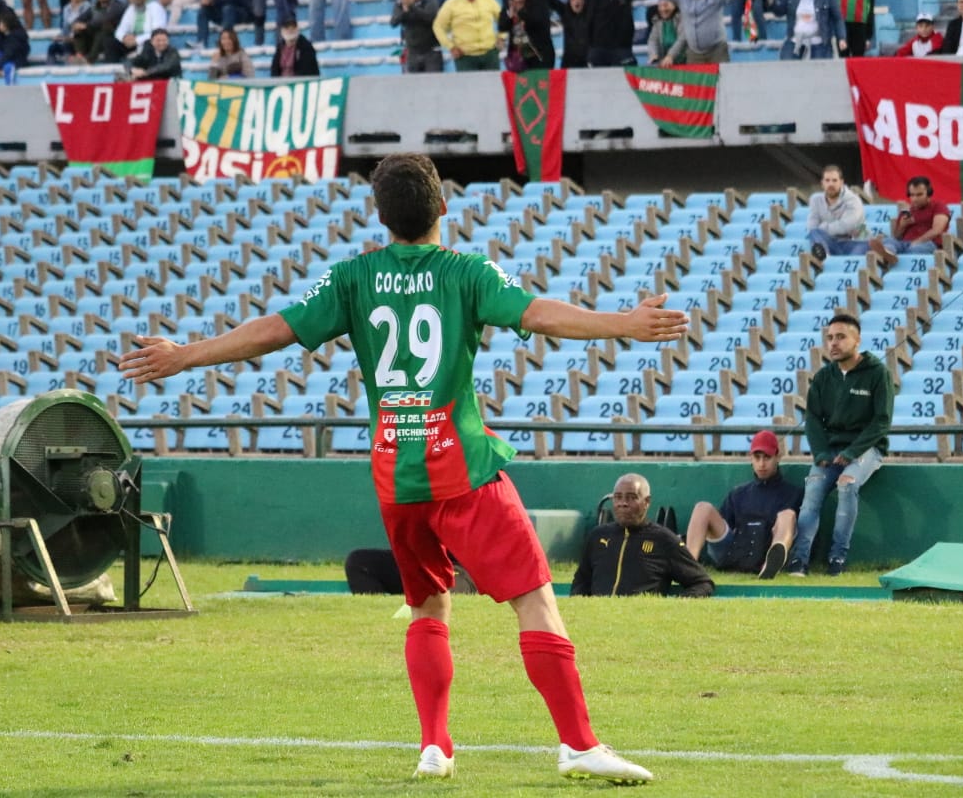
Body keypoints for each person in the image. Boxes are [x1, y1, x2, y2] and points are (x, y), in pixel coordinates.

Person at [118, 152, 679, 785]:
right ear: (443, 207)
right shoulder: (466, 273)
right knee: (534, 600)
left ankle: (435, 747)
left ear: (380, 217)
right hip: (463, 473)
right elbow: (537, 312)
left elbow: (274, 329)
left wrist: (186, 355)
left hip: (396, 477)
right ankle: (578, 744)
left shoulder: (353, 278)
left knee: (428, 608)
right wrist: (623, 325)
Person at [786, 312, 893, 577]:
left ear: (857, 340)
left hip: (866, 449)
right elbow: (812, 417)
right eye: (829, 338)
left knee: (847, 485)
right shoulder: (823, 377)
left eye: (840, 337)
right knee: (811, 492)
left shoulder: (878, 373)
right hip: (830, 452)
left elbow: (881, 421)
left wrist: (852, 452)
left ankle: (838, 559)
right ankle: (800, 561)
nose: (833, 343)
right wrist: (820, 452)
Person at [570, 473, 714, 599]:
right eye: (618, 497)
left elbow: (702, 583)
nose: (623, 503)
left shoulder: (664, 540)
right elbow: (581, 581)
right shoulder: (597, 536)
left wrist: (680, 603)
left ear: (647, 502)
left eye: (631, 498)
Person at [685, 430, 802, 579]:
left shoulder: (793, 493)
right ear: (751, 458)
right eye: (757, 457)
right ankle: (687, 565)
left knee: (788, 515)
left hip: (767, 546)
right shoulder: (738, 493)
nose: (762, 464)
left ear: (777, 457)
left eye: (767, 457)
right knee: (702, 507)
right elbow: (723, 528)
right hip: (735, 548)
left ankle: (770, 565)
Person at [866, 176, 953, 268]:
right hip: (904, 243)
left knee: (914, 250)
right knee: (888, 241)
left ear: (929, 193)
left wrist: (917, 241)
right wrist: (902, 226)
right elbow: (897, 236)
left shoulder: (938, 206)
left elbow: (937, 230)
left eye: (919, 195)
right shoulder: (906, 211)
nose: (915, 199)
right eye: (912, 195)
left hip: (928, 243)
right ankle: (889, 253)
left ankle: (894, 260)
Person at [432, 0, 501, 72]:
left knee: (493, 87)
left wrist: (502, 37)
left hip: (490, 54)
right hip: (465, 57)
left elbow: (503, 19)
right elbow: (438, 26)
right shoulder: (451, 4)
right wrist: (450, 47)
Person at [345, 548, 478, 597]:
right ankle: (380, 619)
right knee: (359, 562)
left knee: (443, 595)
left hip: (456, 567)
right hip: (416, 562)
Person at [806, 165, 867, 261]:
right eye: (827, 180)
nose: (831, 184)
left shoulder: (854, 200)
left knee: (864, 247)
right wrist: (820, 231)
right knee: (814, 233)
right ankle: (825, 258)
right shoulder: (815, 199)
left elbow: (845, 226)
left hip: (854, 242)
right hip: (830, 242)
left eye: (834, 180)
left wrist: (823, 227)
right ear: (822, 183)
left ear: (841, 182)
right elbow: (811, 227)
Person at [392, 0, 442, 73]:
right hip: (411, 53)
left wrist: (412, 7)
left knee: (434, 85)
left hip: (431, 51)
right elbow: (393, 22)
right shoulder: (401, 2)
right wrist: (404, 11)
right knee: (412, 87)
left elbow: (431, 17)